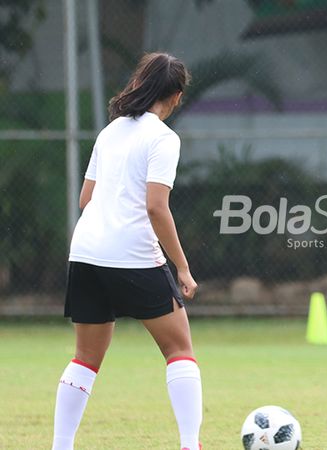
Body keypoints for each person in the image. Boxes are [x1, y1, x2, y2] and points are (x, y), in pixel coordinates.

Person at [52, 52, 201, 450]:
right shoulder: (164, 138)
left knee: (84, 359)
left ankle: (60, 446)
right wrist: (183, 269)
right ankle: (191, 445)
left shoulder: (111, 131)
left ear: (141, 83)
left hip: (85, 252)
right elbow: (156, 207)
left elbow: (87, 198)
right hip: (132, 254)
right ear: (176, 95)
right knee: (179, 349)